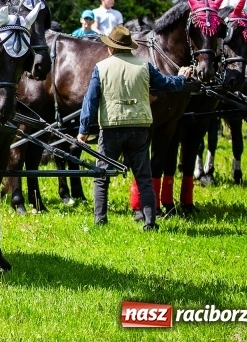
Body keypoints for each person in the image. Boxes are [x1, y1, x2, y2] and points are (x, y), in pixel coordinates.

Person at [77, 25, 193, 231]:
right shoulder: (144, 66)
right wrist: (182, 77)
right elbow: (167, 84)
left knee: (102, 177)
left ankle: (100, 221)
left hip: (112, 127)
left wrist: (84, 130)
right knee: (144, 178)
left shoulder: (101, 67)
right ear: (129, 47)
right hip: (139, 127)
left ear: (111, 48)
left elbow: (90, 100)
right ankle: (150, 222)